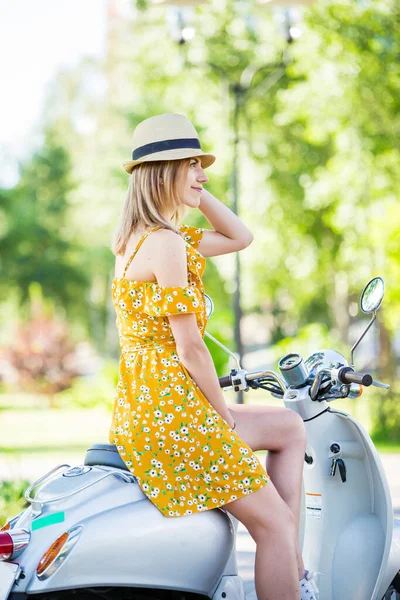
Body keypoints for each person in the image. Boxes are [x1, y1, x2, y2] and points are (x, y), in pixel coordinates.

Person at [109, 113, 319, 600]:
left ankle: (294, 564)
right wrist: (221, 412)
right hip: (173, 413)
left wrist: (193, 193)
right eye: (194, 166)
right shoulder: (164, 244)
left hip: (155, 407)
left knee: (289, 428)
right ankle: (286, 558)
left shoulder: (147, 238)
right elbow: (190, 347)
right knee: (273, 525)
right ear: (165, 172)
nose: (204, 174)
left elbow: (241, 237)